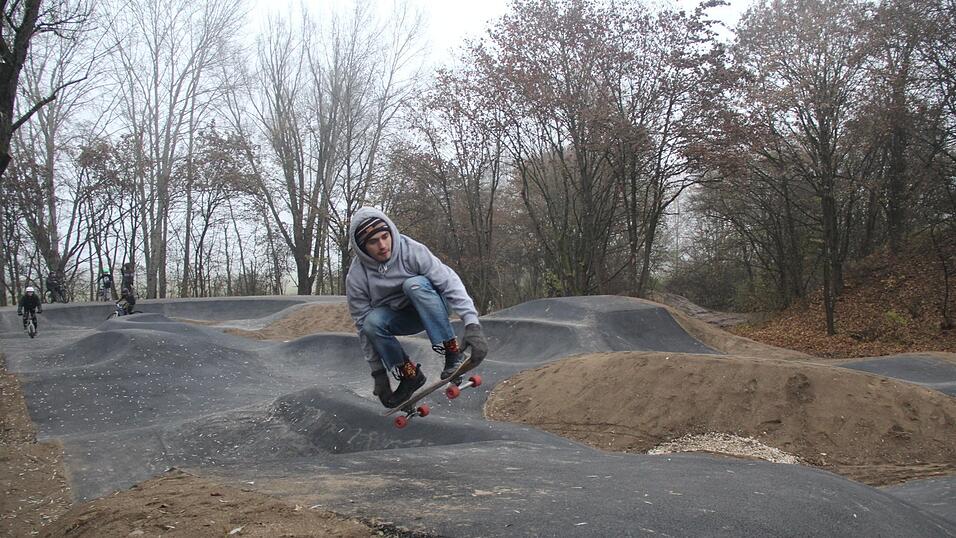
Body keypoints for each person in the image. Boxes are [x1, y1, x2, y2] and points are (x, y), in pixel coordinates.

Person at [346, 207, 489, 409]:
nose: (382, 245)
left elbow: (449, 282)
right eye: (373, 242)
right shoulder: (357, 276)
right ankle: (409, 375)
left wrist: (472, 324)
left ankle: (452, 353)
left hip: (433, 305)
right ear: (362, 247)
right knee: (371, 323)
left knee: (413, 285)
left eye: (385, 237)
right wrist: (378, 372)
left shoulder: (411, 250)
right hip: (402, 318)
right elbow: (362, 326)